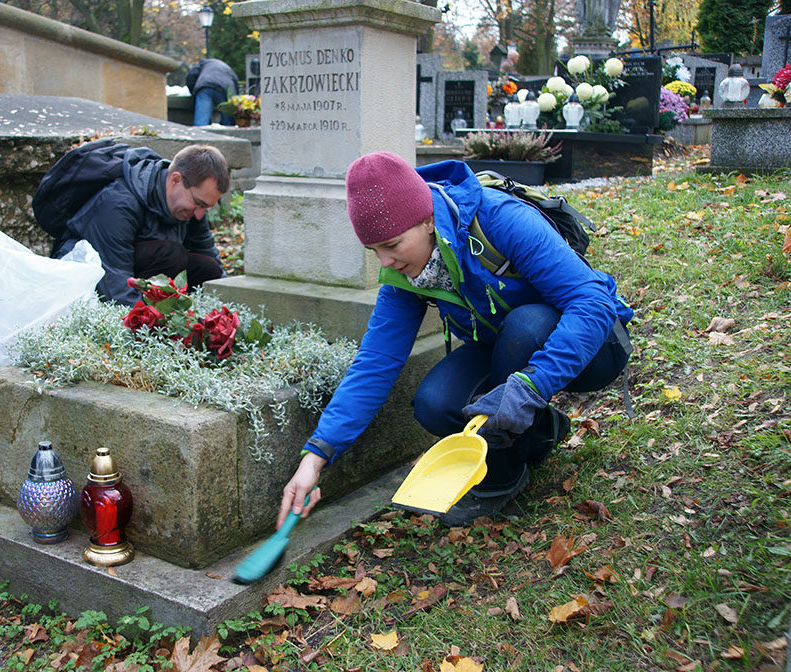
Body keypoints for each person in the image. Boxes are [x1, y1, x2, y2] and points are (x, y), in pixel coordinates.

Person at [277, 152, 633, 529]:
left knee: (525, 326)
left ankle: (499, 479)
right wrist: (316, 457)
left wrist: (531, 385)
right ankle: (543, 430)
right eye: (374, 250)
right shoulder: (407, 276)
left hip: (592, 346)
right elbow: (376, 360)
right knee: (436, 403)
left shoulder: (500, 219)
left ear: (428, 219)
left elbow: (592, 302)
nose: (385, 261)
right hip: (504, 348)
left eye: (393, 244)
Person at [53, 144, 229, 306]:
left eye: (206, 207)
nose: (199, 214)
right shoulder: (118, 203)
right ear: (175, 179)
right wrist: (153, 328)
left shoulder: (192, 210)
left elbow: (211, 261)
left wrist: (229, 312)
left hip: (138, 274)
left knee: (208, 268)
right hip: (92, 277)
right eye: (198, 203)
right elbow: (115, 283)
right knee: (172, 255)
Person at [186, 58, 239, 126]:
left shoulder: (203, 63)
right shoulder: (228, 68)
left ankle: (199, 135)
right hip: (225, 89)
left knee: (201, 123)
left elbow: (191, 76)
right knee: (228, 122)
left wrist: (193, 92)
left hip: (205, 87)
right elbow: (235, 85)